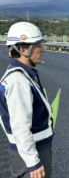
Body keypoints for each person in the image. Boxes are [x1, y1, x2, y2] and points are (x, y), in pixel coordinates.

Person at [0, 22, 53, 178]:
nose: (43, 49)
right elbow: (20, 127)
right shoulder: (18, 80)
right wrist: (33, 162)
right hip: (30, 153)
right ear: (23, 50)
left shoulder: (21, 74)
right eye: (38, 45)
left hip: (30, 150)